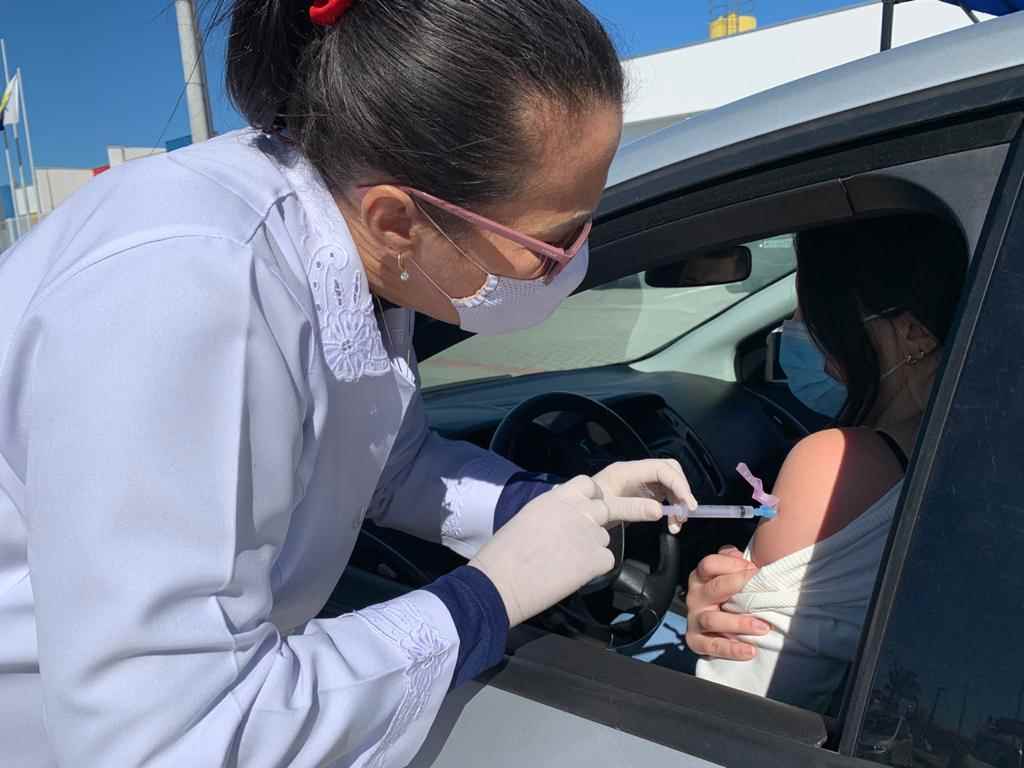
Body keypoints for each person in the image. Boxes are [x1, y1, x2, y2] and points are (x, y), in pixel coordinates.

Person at [0, 1, 698, 765]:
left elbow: (380, 461)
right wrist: (485, 599)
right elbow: (170, 737)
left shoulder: (361, 255)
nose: (575, 261)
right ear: (399, 219)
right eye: (555, 240)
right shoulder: (188, 292)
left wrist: (542, 505)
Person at [685, 214, 967, 712]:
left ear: (914, 334)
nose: (798, 329)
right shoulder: (972, 448)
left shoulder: (839, 462)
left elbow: (735, 694)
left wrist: (718, 610)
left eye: (815, 311)